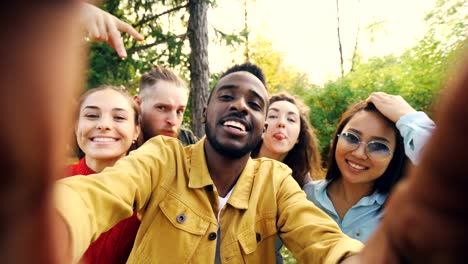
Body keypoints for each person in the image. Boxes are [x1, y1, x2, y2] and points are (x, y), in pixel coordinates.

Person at [55, 62, 364, 263]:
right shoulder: (163, 158)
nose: (240, 105)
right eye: (227, 96)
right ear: (204, 113)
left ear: (263, 129)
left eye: (255, 104)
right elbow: (99, 193)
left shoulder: (276, 181)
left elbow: (321, 238)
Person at [303, 92, 435, 243]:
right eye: (351, 137)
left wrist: (409, 116)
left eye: (379, 146)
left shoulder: (404, 211)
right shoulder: (306, 196)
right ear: (336, 139)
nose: (359, 154)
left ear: (394, 157)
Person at [66, 86, 142, 264]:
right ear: (76, 126)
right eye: (92, 116)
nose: (104, 125)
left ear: (136, 131)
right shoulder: (44, 185)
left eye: (119, 117)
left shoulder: (151, 200)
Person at [250, 92, 323, 263]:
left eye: (291, 119)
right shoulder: (232, 164)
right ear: (261, 124)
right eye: (273, 115)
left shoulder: (303, 184)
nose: (281, 123)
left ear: (299, 137)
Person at [134, 65, 198, 146]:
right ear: (137, 105)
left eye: (179, 111)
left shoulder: (188, 143)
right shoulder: (120, 145)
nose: (173, 121)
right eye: (162, 108)